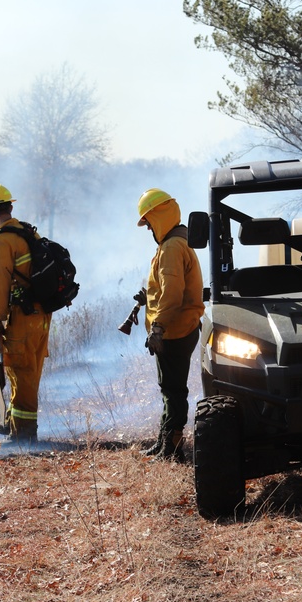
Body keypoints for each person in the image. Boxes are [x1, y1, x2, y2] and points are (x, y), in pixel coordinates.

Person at [135, 189, 205, 461]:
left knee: (173, 390)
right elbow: (168, 287)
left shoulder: (172, 247)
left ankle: (173, 449)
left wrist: (158, 327)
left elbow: (173, 294)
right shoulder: (177, 242)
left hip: (175, 331)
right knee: (169, 388)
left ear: (158, 216)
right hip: (179, 327)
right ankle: (165, 438)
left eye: (149, 222)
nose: (149, 228)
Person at [0, 183, 50, 442]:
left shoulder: (3, 240)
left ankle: (23, 434)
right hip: (42, 314)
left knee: (20, 371)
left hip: (23, 316)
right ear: (10, 206)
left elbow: (0, 284)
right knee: (30, 370)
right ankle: (16, 423)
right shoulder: (27, 232)